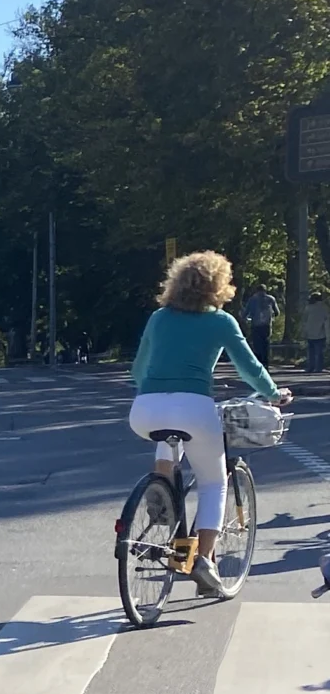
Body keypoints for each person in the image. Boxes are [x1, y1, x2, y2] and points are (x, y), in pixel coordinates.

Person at [129, 251, 288, 599]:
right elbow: (249, 368)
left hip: (145, 409)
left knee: (167, 435)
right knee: (214, 481)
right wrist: (274, 394)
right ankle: (203, 560)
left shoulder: (159, 318)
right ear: (219, 287)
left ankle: (161, 494)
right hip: (194, 406)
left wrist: (151, 388)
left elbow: (138, 369)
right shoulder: (221, 322)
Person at [238, 280, 279, 369]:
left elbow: (246, 313)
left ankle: (259, 363)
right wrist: (272, 317)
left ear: (256, 291)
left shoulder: (253, 299)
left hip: (255, 325)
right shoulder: (270, 299)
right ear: (265, 290)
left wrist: (244, 319)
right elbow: (277, 312)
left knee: (257, 345)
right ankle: (266, 362)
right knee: (266, 344)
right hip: (267, 325)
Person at [305, 292, 329, 377]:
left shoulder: (309, 308)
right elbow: (327, 322)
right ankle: (318, 367)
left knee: (311, 352)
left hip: (310, 333)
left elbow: (305, 320)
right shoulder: (324, 308)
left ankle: (310, 366)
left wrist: (304, 331)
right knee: (319, 352)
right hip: (320, 333)